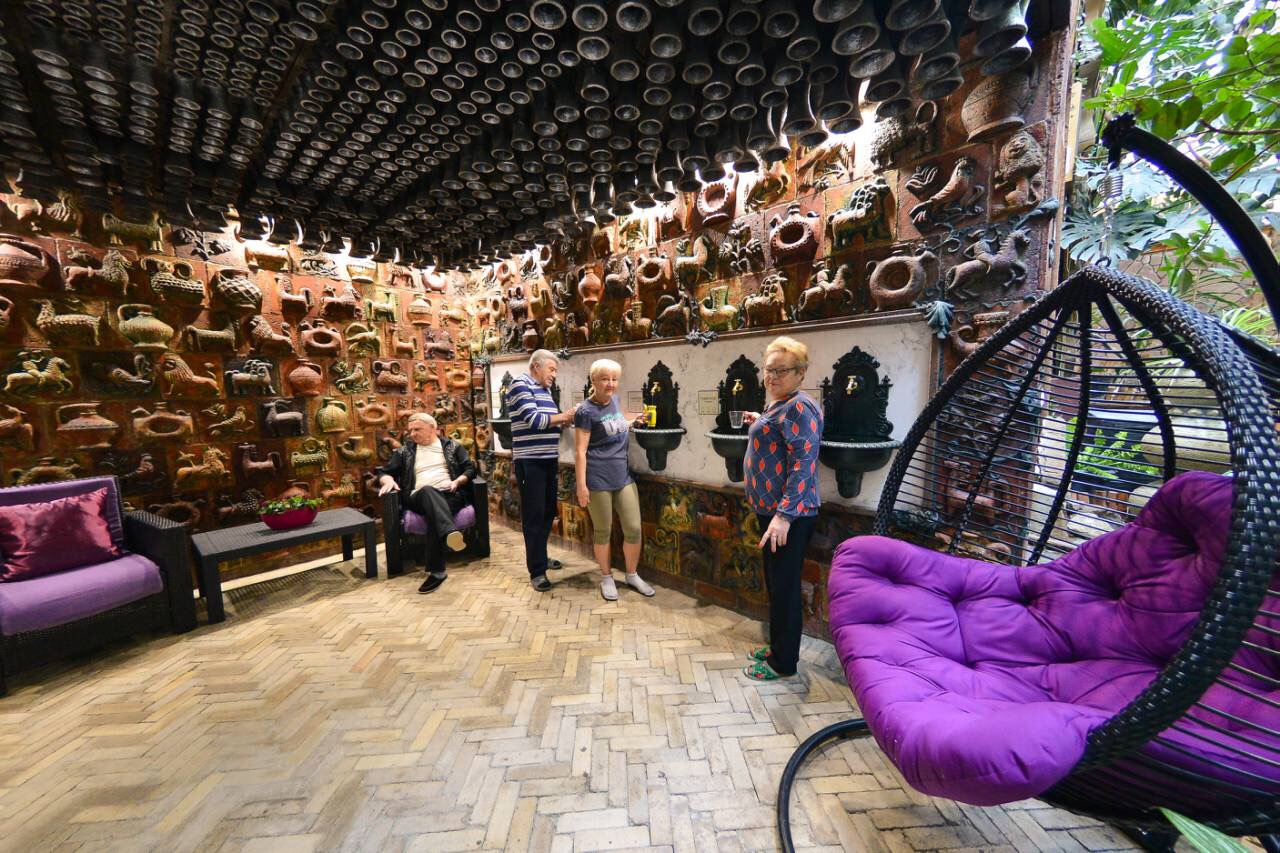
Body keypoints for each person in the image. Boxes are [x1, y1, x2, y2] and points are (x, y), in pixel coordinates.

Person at [740, 336, 823, 681]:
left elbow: (803, 465)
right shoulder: (781, 405)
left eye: (781, 371)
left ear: (800, 373)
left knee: (785, 588)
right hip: (773, 513)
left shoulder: (799, 407)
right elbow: (780, 437)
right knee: (776, 584)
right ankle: (778, 647)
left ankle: (783, 663)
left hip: (788, 517)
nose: (772, 377)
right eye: (769, 370)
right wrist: (759, 420)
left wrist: (784, 517)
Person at [574, 358, 656, 601]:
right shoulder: (585, 411)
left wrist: (632, 422)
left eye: (614, 379)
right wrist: (581, 486)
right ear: (594, 380)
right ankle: (607, 577)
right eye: (605, 379)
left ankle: (632, 574)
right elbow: (580, 451)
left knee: (634, 528)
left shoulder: (615, 401)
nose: (610, 384)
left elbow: (612, 428)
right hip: (597, 479)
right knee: (603, 531)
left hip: (623, 476)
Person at [376, 413, 477, 594]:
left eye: (417, 429)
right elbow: (384, 472)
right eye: (411, 430)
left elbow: (470, 468)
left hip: (450, 494)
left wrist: (458, 481)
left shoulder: (452, 446)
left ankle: (438, 573)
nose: (412, 434)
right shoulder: (405, 451)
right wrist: (388, 480)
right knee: (429, 491)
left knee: (435, 513)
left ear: (433, 428)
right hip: (418, 496)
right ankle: (449, 533)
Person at [507, 349, 578, 591]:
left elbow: (548, 422)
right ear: (536, 366)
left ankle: (541, 556)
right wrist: (564, 416)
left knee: (547, 512)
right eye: (551, 369)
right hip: (530, 461)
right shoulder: (520, 385)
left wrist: (564, 421)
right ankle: (537, 571)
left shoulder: (544, 390)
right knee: (534, 516)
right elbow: (535, 420)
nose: (554, 375)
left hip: (548, 459)